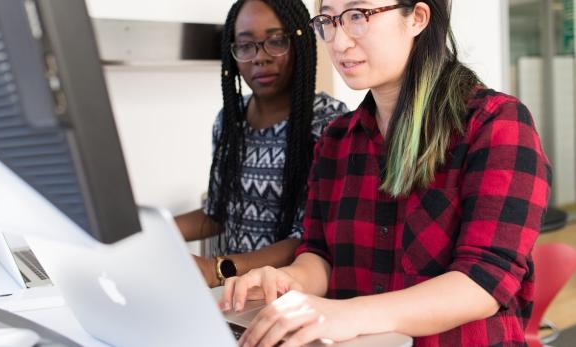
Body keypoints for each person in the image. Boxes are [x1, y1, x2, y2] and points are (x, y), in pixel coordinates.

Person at [219, 0, 552, 346]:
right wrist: (288, 281)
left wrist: (347, 314)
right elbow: (319, 254)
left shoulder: (496, 124)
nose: (339, 41)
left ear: (418, 18)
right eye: (329, 20)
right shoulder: (336, 139)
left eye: (358, 16)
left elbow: (484, 280)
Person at [175, 0, 348, 288]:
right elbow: (216, 214)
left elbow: (309, 238)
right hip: (231, 295)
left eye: (276, 41)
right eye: (245, 45)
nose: (260, 57)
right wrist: (152, 231)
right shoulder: (230, 120)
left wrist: (217, 269)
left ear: (299, 43)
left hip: (289, 296)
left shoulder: (329, 124)